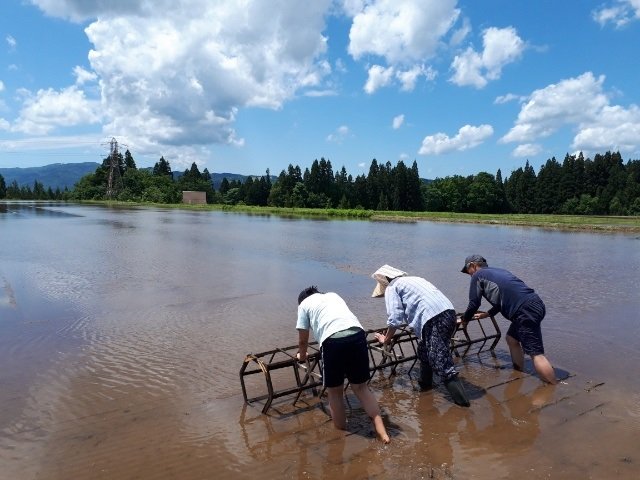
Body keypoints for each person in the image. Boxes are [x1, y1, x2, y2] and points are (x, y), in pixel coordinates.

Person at [296, 286, 390, 443]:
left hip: (332, 341)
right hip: (358, 335)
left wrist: (302, 356)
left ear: (301, 301)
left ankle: (340, 434)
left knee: (335, 392)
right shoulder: (333, 295)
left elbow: (302, 340)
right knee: (361, 388)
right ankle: (383, 433)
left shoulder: (303, 306)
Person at [371, 265, 470, 407]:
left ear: (385, 281)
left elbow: (395, 318)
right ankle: (425, 386)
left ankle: (463, 403)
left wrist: (385, 339)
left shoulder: (392, 287)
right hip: (449, 313)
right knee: (424, 351)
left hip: (433, 319)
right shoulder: (415, 279)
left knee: (440, 361)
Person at [460, 254, 557, 384]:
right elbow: (504, 297)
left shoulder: (477, 276)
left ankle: (553, 388)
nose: (469, 275)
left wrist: (465, 320)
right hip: (535, 303)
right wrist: (488, 313)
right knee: (512, 339)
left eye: (468, 272)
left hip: (524, 311)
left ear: (472, 265)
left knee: (536, 354)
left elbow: (474, 303)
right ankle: (518, 371)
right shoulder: (499, 271)